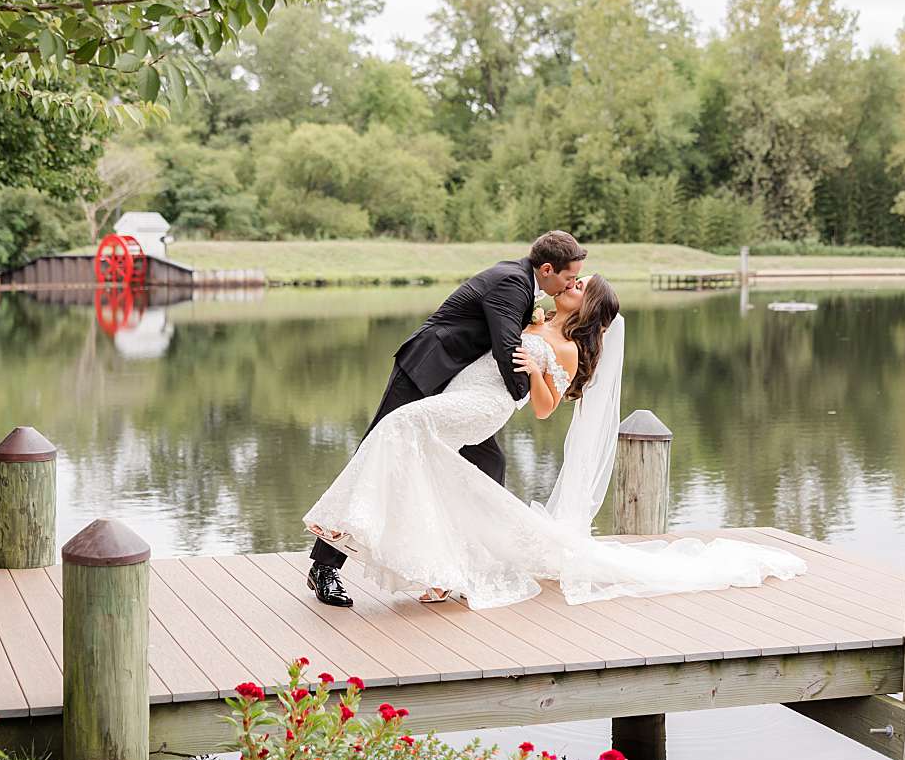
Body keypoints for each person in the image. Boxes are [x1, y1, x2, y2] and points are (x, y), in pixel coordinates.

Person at [304, 268, 807, 610]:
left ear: (587, 305)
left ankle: (344, 535)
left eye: (580, 283)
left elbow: (545, 409)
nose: (571, 283)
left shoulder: (566, 349)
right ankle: (434, 568)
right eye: (572, 277)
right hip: (462, 388)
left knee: (398, 429)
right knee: (446, 468)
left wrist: (532, 371)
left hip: (484, 404)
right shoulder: (535, 316)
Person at [303, 231, 587, 606]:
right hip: (428, 369)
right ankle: (325, 566)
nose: (571, 283)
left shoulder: (525, 286)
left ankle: (469, 563)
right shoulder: (512, 282)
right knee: (382, 445)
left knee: (489, 464)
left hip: (460, 386)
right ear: (548, 270)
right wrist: (517, 396)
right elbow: (506, 349)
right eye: (570, 277)